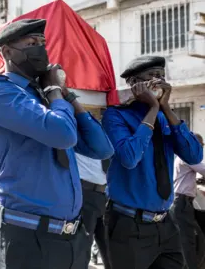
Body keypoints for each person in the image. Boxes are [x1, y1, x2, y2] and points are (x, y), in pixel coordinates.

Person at [0, 19, 114, 269]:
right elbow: (62, 135)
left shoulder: (46, 97)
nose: (40, 49)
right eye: (31, 43)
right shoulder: (0, 93)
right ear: (7, 52)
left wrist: (67, 95)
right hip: (27, 236)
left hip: (69, 237)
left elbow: (102, 148)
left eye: (43, 43)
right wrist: (53, 90)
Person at [102, 55, 204, 269]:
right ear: (134, 84)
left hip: (166, 224)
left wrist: (165, 109)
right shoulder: (115, 116)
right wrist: (152, 110)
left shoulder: (166, 117)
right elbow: (129, 157)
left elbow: (194, 155)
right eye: (152, 77)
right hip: (129, 225)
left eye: (162, 76)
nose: (159, 82)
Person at [170, 133, 205, 269]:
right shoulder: (188, 156)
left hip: (184, 202)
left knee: (196, 239)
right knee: (188, 242)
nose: (201, 148)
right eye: (200, 145)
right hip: (182, 203)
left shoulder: (184, 156)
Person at [75, 153, 111, 269]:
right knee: (81, 250)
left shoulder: (108, 136)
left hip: (106, 194)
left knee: (111, 250)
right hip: (84, 192)